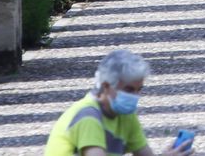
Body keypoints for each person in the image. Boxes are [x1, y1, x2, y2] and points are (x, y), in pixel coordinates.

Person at [45, 49, 192, 156]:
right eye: (128, 90)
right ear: (106, 86)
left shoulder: (125, 114)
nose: (135, 96)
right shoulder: (88, 117)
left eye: (138, 90)